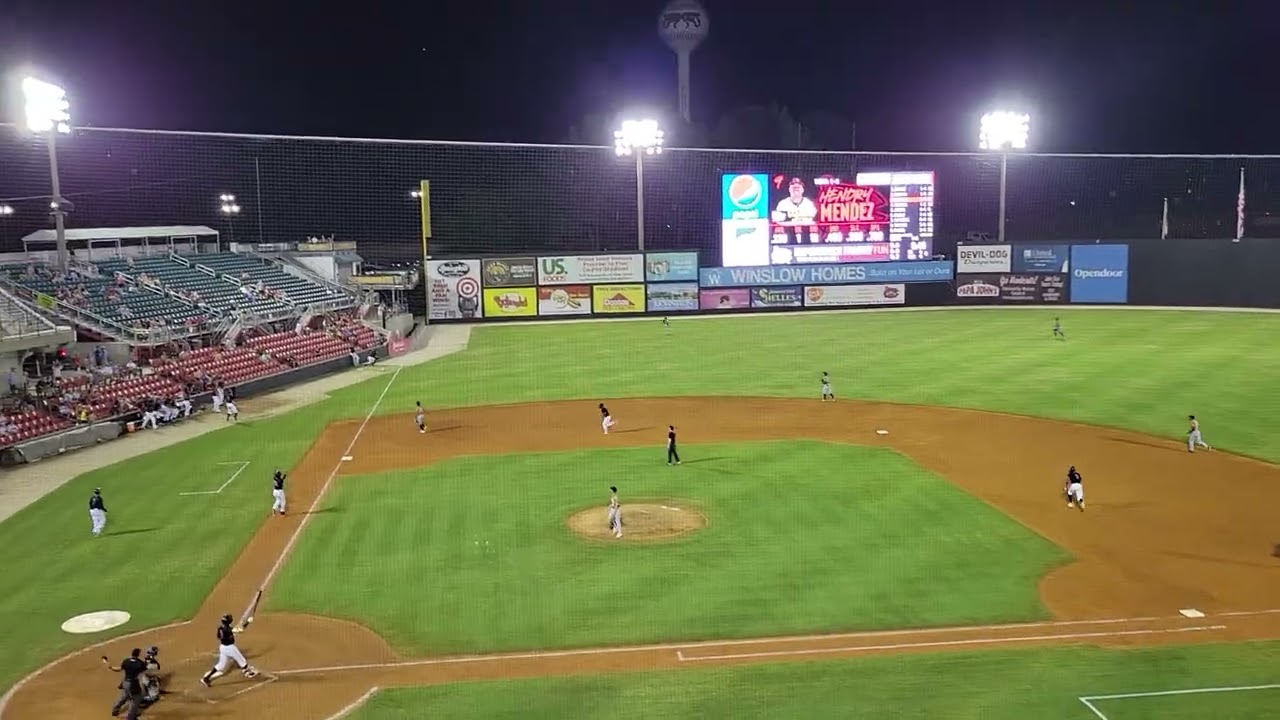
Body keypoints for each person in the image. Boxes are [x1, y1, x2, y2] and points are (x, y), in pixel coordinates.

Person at [200, 614, 258, 687]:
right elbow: (240, 629)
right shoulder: (228, 629)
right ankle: (247, 672)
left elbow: (219, 637)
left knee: (221, 665)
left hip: (223, 648)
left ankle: (206, 678)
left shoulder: (220, 628)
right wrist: (248, 622)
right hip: (230, 648)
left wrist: (231, 634)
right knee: (241, 660)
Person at [104, 647, 147, 719]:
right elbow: (145, 672)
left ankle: (114, 710)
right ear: (138, 654)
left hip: (125, 682)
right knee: (136, 698)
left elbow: (119, 669)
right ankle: (130, 717)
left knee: (124, 696)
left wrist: (111, 667)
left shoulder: (126, 661)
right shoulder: (140, 663)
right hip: (133, 684)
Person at [773, 177, 818, 244]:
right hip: (788, 235)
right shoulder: (783, 204)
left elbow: (812, 220)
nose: (796, 189)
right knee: (789, 233)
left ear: (803, 190)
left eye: (798, 188)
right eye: (793, 188)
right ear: (789, 189)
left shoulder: (809, 203)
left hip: (806, 234)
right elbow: (779, 220)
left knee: (805, 233)